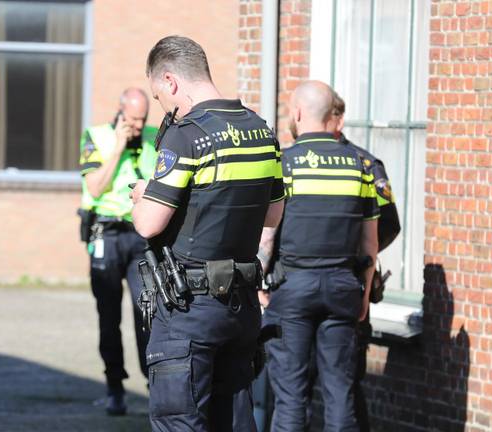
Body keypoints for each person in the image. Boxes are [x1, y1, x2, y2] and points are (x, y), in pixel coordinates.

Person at [129, 35, 285, 431]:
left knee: (180, 421)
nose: (164, 106)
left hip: (188, 310)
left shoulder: (186, 134)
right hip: (241, 307)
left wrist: (144, 196)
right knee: (232, 423)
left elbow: (149, 224)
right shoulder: (261, 131)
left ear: (170, 81)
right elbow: (272, 214)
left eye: (159, 96)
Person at [259, 80, 379, 431]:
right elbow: (369, 246)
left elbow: (267, 236)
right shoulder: (360, 166)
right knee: (340, 393)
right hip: (343, 287)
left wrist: (257, 283)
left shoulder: (285, 163)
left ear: (297, 113)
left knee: (291, 396)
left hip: (292, 288)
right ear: (332, 115)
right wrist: (365, 297)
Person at [78, 87, 158, 415]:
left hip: (141, 236)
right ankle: (114, 389)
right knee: (109, 316)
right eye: (133, 119)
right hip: (108, 233)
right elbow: (95, 186)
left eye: (143, 120)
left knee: (148, 311)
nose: (139, 126)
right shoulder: (96, 136)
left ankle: (155, 387)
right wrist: (120, 147)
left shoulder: (157, 137)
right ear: (121, 111)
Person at [331, 91, 401, 432]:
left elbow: (388, 224)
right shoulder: (294, 158)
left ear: (338, 121)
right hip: (301, 287)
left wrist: (357, 256)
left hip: (351, 288)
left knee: (347, 385)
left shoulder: (366, 165)